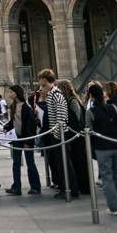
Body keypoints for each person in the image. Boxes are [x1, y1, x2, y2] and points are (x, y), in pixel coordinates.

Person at [84, 83, 117, 216]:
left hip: (102, 148)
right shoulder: (113, 107)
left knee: (107, 178)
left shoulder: (90, 112)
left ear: (91, 96)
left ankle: (114, 207)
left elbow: (88, 130)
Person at [37, 68, 75, 199]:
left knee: (64, 164)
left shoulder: (56, 95)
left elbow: (61, 118)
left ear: (46, 80)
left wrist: (57, 135)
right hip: (57, 134)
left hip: (60, 135)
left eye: (42, 83)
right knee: (61, 164)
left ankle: (69, 189)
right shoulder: (52, 95)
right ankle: (65, 187)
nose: (41, 87)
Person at [3, 85, 40, 196]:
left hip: (26, 138)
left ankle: (35, 186)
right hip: (16, 138)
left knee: (30, 163)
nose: (9, 94)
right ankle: (16, 187)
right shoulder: (13, 105)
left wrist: (28, 141)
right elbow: (13, 121)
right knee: (16, 163)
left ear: (16, 93)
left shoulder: (26, 107)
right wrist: (7, 127)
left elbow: (30, 124)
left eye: (11, 92)